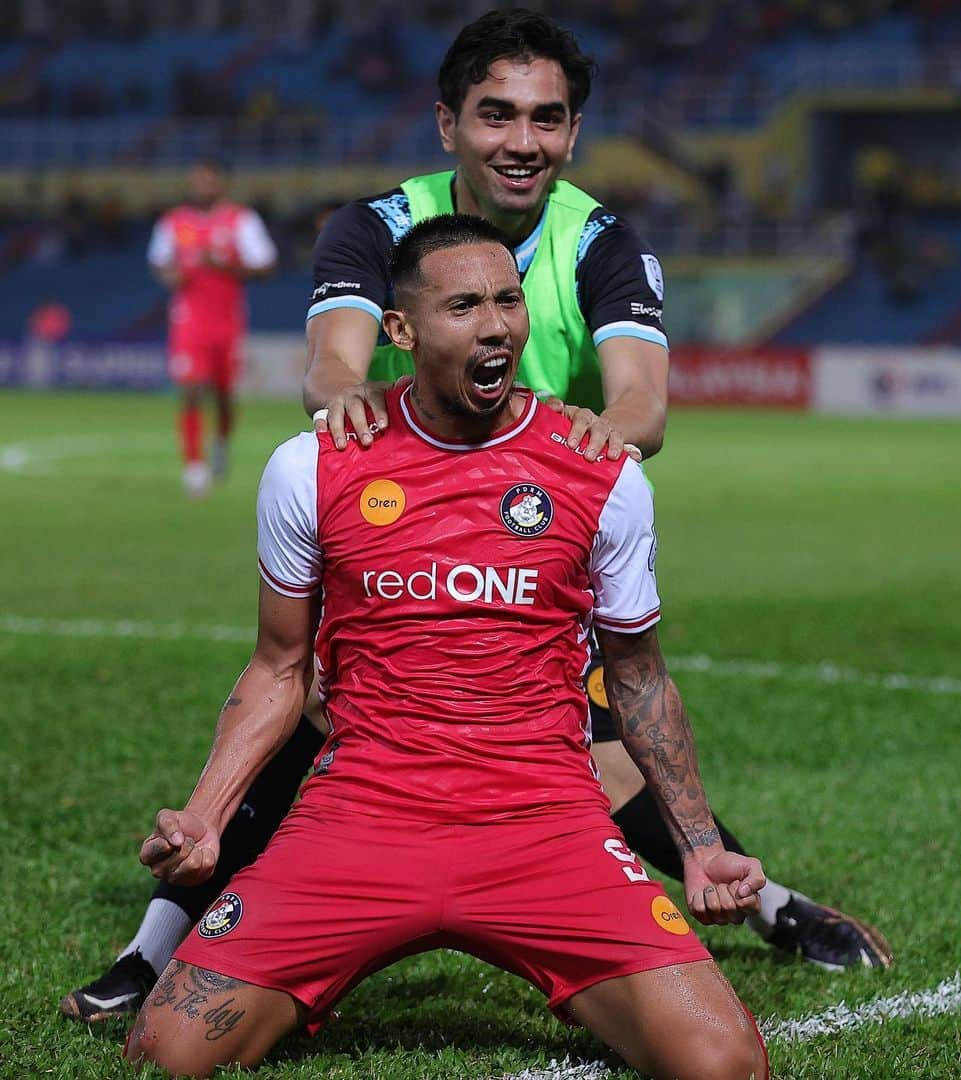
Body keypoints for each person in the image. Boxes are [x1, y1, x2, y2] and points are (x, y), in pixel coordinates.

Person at [61, 8, 888, 1026]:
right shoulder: (374, 226)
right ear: (447, 120)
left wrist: (597, 442)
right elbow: (333, 367)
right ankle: (158, 943)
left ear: (574, 134)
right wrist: (345, 399)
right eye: (497, 115)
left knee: (602, 747)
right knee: (316, 692)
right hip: (399, 522)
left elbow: (644, 402)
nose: (522, 142)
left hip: (540, 532)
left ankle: (758, 898)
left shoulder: (599, 242)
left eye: (547, 119)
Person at [124, 215, 770, 1080]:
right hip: (361, 818)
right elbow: (282, 666)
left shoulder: (599, 469)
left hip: (544, 824)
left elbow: (639, 675)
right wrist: (205, 817)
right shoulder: (313, 466)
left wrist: (696, 843)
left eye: (509, 300)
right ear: (401, 331)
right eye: (464, 304)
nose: (497, 323)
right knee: (165, 1054)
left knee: (724, 1063)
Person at [147, 159, 277, 497]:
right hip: (188, 320)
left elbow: (266, 265)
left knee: (223, 394)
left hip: (227, 320)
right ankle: (194, 466)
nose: (201, 185)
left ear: (220, 183)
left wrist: (227, 265)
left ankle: (220, 442)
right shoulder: (174, 222)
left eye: (207, 179)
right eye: (196, 179)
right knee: (190, 391)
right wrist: (170, 275)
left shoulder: (240, 220)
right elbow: (159, 263)